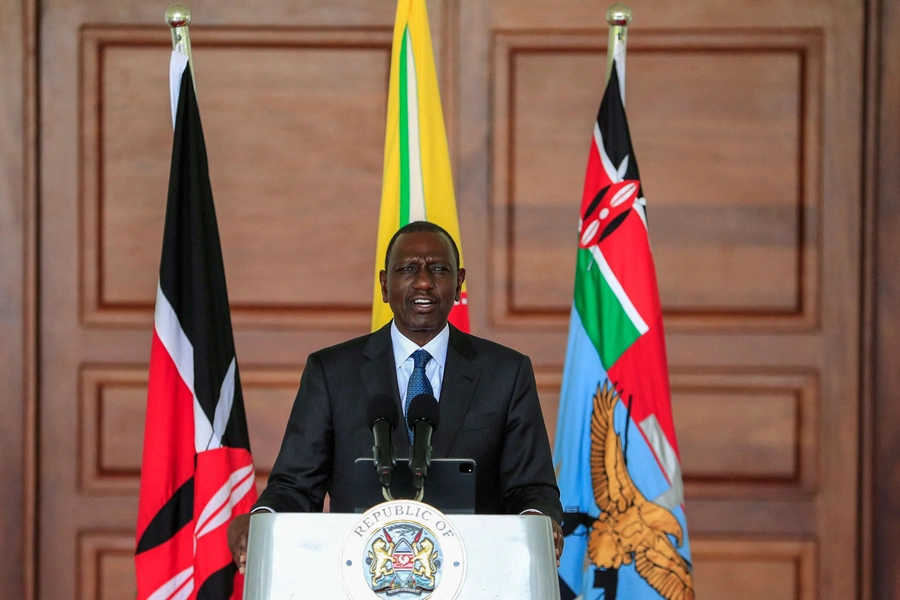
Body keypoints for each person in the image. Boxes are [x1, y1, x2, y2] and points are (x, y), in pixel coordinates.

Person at [227, 221, 563, 571]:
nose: (423, 281)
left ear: (459, 283)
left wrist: (539, 525)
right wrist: (262, 520)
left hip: (475, 576)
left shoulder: (506, 373)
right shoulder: (331, 372)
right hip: (359, 577)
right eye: (407, 269)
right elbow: (296, 486)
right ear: (385, 285)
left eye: (438, 269)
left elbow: (531, 489)